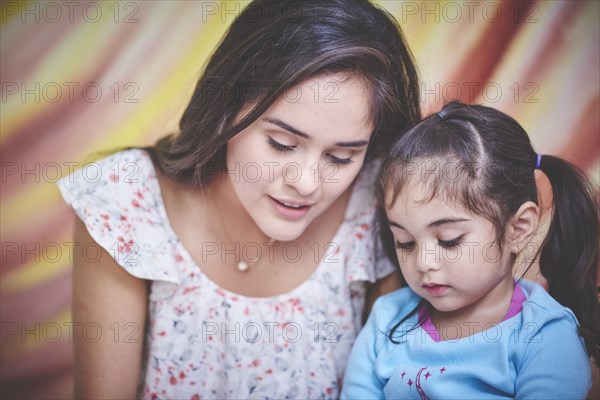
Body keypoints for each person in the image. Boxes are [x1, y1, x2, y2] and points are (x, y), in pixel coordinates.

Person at [57, 0, 421, 398]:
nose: (305, 183)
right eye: (281, 144)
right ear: (225, 110)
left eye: (340, 157)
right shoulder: (126, 203)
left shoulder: (378, 201)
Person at [341, 101, 599, 399]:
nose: (423, 262)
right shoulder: (387, 318)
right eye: (406, 242)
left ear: (518, 228)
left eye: (449, 240)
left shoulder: (546, 337)